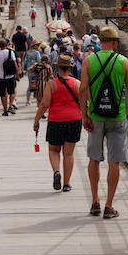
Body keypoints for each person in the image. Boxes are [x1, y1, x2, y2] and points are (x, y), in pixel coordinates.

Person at [79, 26, 128, 219]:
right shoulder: (123, 61)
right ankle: (109, 205)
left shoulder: (89, 61)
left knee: (94, 158)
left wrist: (84, 115)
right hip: (117, 115)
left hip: (96, 115)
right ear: (115, 42)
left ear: (100, 42)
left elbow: (83, 90)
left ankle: (95, 201)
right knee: (114, 161)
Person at [33, 53, 82, 192]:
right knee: (69, 153)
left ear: (57, 68)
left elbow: (44, 104)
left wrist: (36, 120)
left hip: (56, 121)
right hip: (74, 120)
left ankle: (56, 172)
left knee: (54, 150)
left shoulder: (52, 84)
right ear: (70, 68)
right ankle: (67, 183)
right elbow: (84, 103)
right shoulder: (77, 83)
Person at [0, 38, 19, 116]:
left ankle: (5, 109)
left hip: (1, 77)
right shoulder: (10, 52)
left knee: (3, 94)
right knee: (12, 92)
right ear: (6, 45)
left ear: (0, 46)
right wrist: (17, 73)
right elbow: (14, 63)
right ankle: (10, 106)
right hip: (10, 76)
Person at [24, 41, 45, 105]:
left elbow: (25, 62)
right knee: (37, 85)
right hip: (35, 71)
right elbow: (39, 61)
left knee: (30, 85)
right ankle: (38, 100)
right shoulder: (36, 53)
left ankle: (28, 100)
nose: (38, 46)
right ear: (34, 46)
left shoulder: (27, 52)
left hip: (29, 70)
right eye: (37, 45)